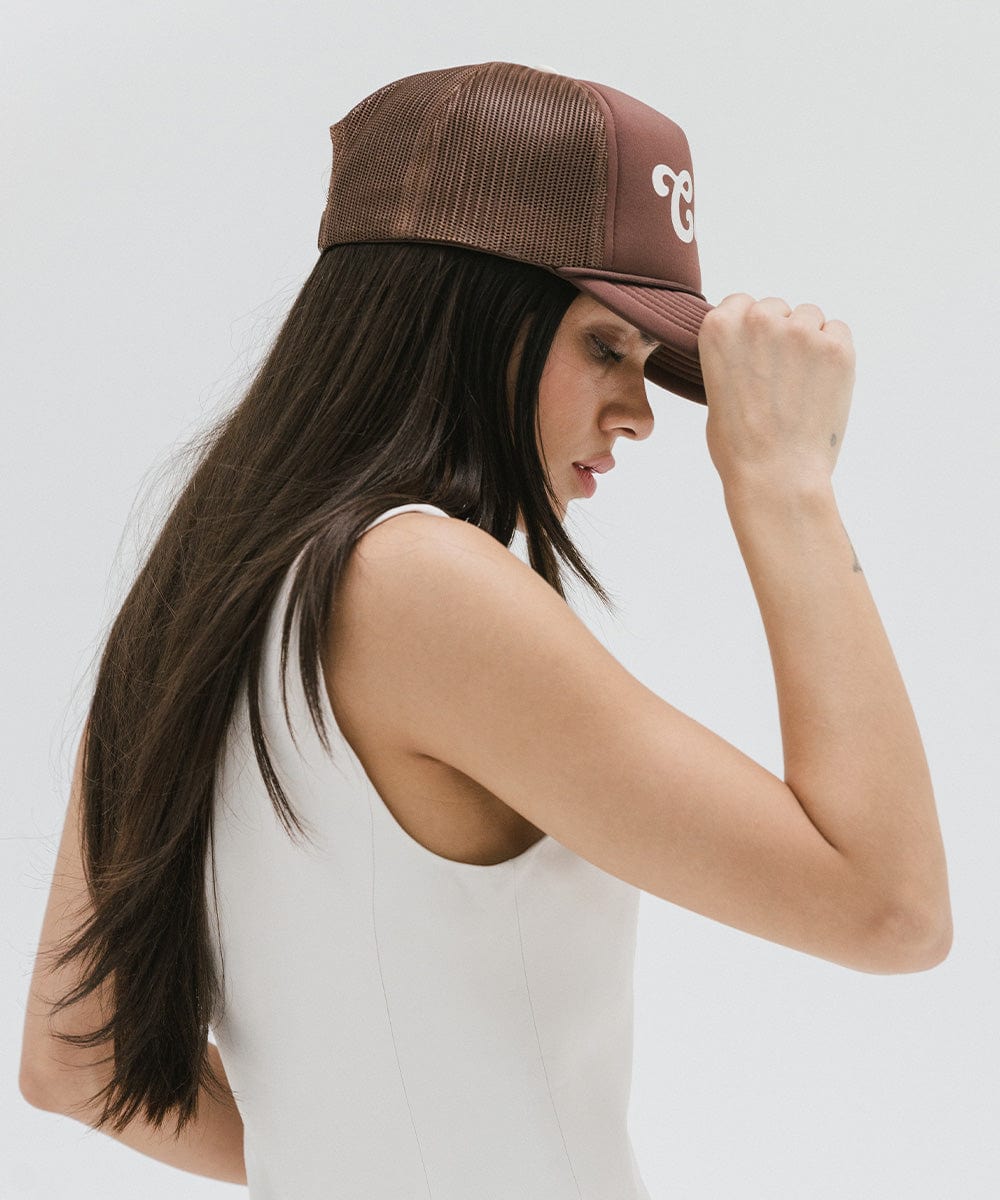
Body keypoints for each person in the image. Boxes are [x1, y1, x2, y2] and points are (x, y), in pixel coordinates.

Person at [19, 61, 951, 1197]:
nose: (643, 412)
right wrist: (784, 484)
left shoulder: (197, 590)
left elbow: (77, 1061)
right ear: (462, 316)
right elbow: (890, 909)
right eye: (605, 345)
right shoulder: (416, 582)